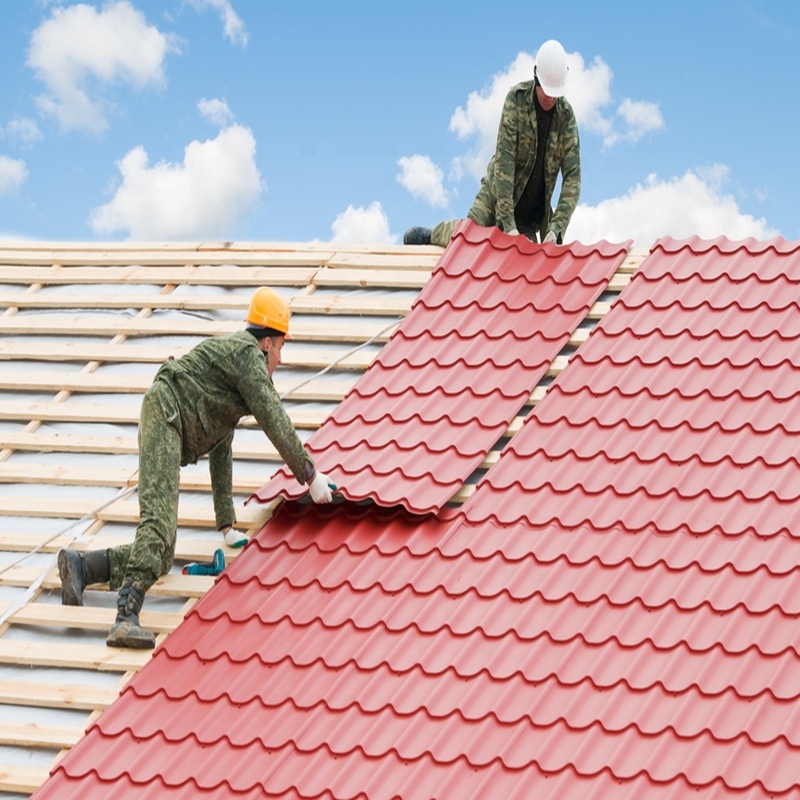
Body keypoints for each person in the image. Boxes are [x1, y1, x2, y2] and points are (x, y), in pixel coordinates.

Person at [57, 287, 335, 649]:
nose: (281, 359)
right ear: (267, 342)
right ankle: (125, 617)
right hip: (166, 414)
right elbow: (274, 418)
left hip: (168, 418)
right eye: (282, 347)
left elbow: (223, 446)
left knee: (164, 550)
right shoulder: (247, 357)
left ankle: (83, 567)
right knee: (157, 527)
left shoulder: (235, 374)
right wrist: (310, 475)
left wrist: (226, 524)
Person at [404, 39, 580, 248]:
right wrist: (508, 225)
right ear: (537, 79)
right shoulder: (516, 101)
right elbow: (505, 163)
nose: (552, 99)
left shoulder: (566, 117)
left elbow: (573, 178)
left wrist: (556, 227)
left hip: (530, 215)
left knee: (519, 263)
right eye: (547, 92)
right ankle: (433, 234)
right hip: (497, 194)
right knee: (467, 240)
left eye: (556, 94)